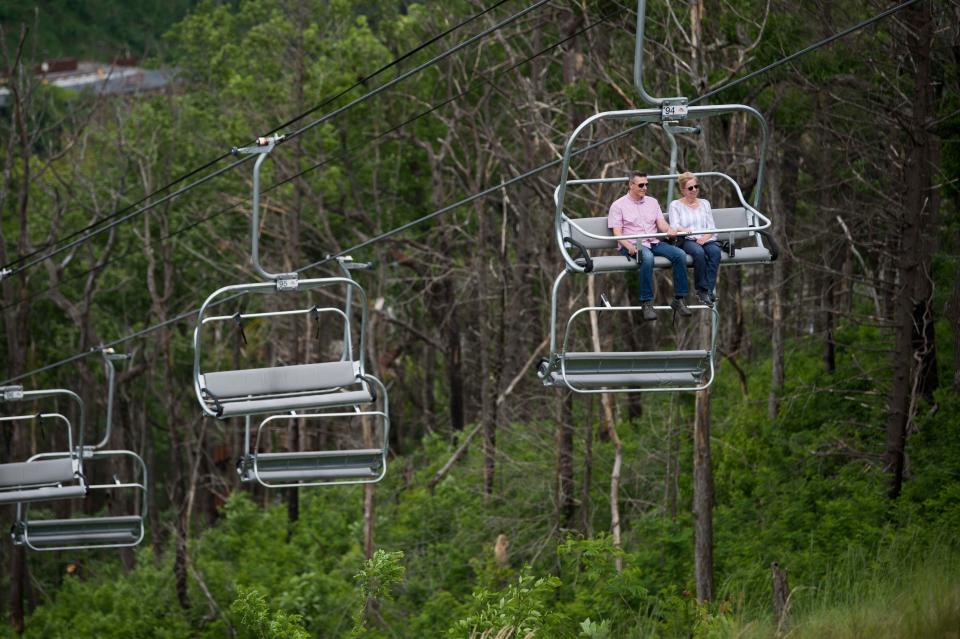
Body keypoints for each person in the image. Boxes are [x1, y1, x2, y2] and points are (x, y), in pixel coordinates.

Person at [608, 171, 691, 321]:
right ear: (631, 185)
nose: (645, 187)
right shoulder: (618, 206)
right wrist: (628, 246)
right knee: (647, 257)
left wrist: (669, 230)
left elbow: (661, 223)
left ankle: (679, 299)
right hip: (633, 244)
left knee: (679, 254)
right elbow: (617, 233)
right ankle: (646, 303)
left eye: (646, 184)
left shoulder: (652, 202)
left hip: (653, 242)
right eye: (641, 185)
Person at [668, 172, 721, 307]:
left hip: (706, 238)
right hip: (687, 239)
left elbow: (711, 226)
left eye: (696, 186)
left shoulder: (705, 203)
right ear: (683, 190)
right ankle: (701, 289)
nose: (694, 190)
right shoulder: (675, 205)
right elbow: (674, 225)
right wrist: (684, 230)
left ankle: (708, 289)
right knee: (698, 253)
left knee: (715, 252)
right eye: (690, 188)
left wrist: (705, 237)